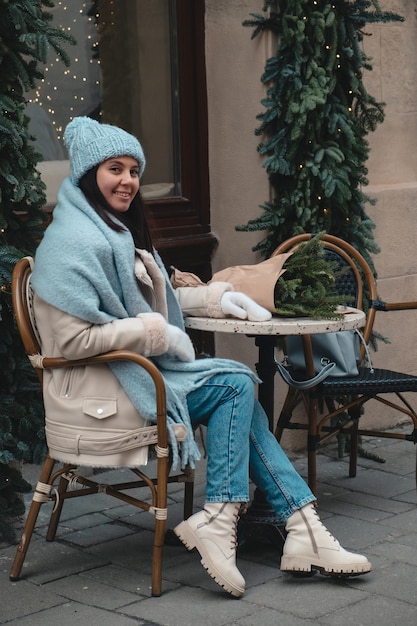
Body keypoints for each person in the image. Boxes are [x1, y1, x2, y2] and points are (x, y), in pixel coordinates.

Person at [31, 117, 372, 598]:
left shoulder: (114, 234)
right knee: (235, 385)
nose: (128, 180)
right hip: (98, 390)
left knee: (237, 389)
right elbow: (70, 345)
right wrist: (154, 334)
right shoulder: (70, 246)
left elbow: (153, 299)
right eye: (115, 169)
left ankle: (296, 528)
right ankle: (247, 519)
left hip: (131, 375)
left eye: (134, 170)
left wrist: (216, 298)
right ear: (89, 174)